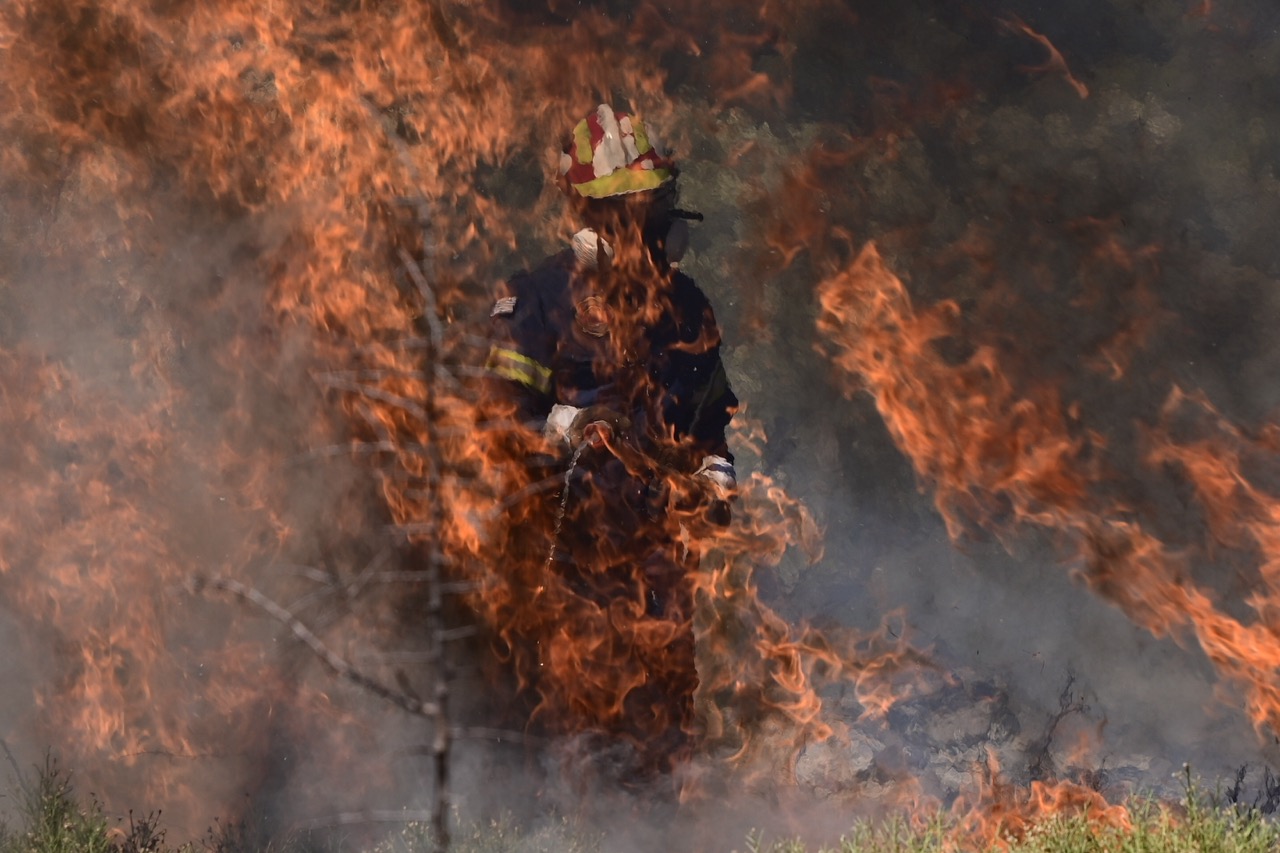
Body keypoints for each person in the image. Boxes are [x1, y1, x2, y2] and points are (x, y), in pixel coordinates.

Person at [481, 103, 738, 774]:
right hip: (562, 553)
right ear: (595, 214)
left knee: (660, 714)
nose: (648, 222)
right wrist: (548, 436)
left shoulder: (686, 306)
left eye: (653, 204)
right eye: (633, 206)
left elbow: (710, 418)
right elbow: (490, 427)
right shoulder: (536, 300)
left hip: (656, 552)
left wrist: (715, 473)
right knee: (567, 712)